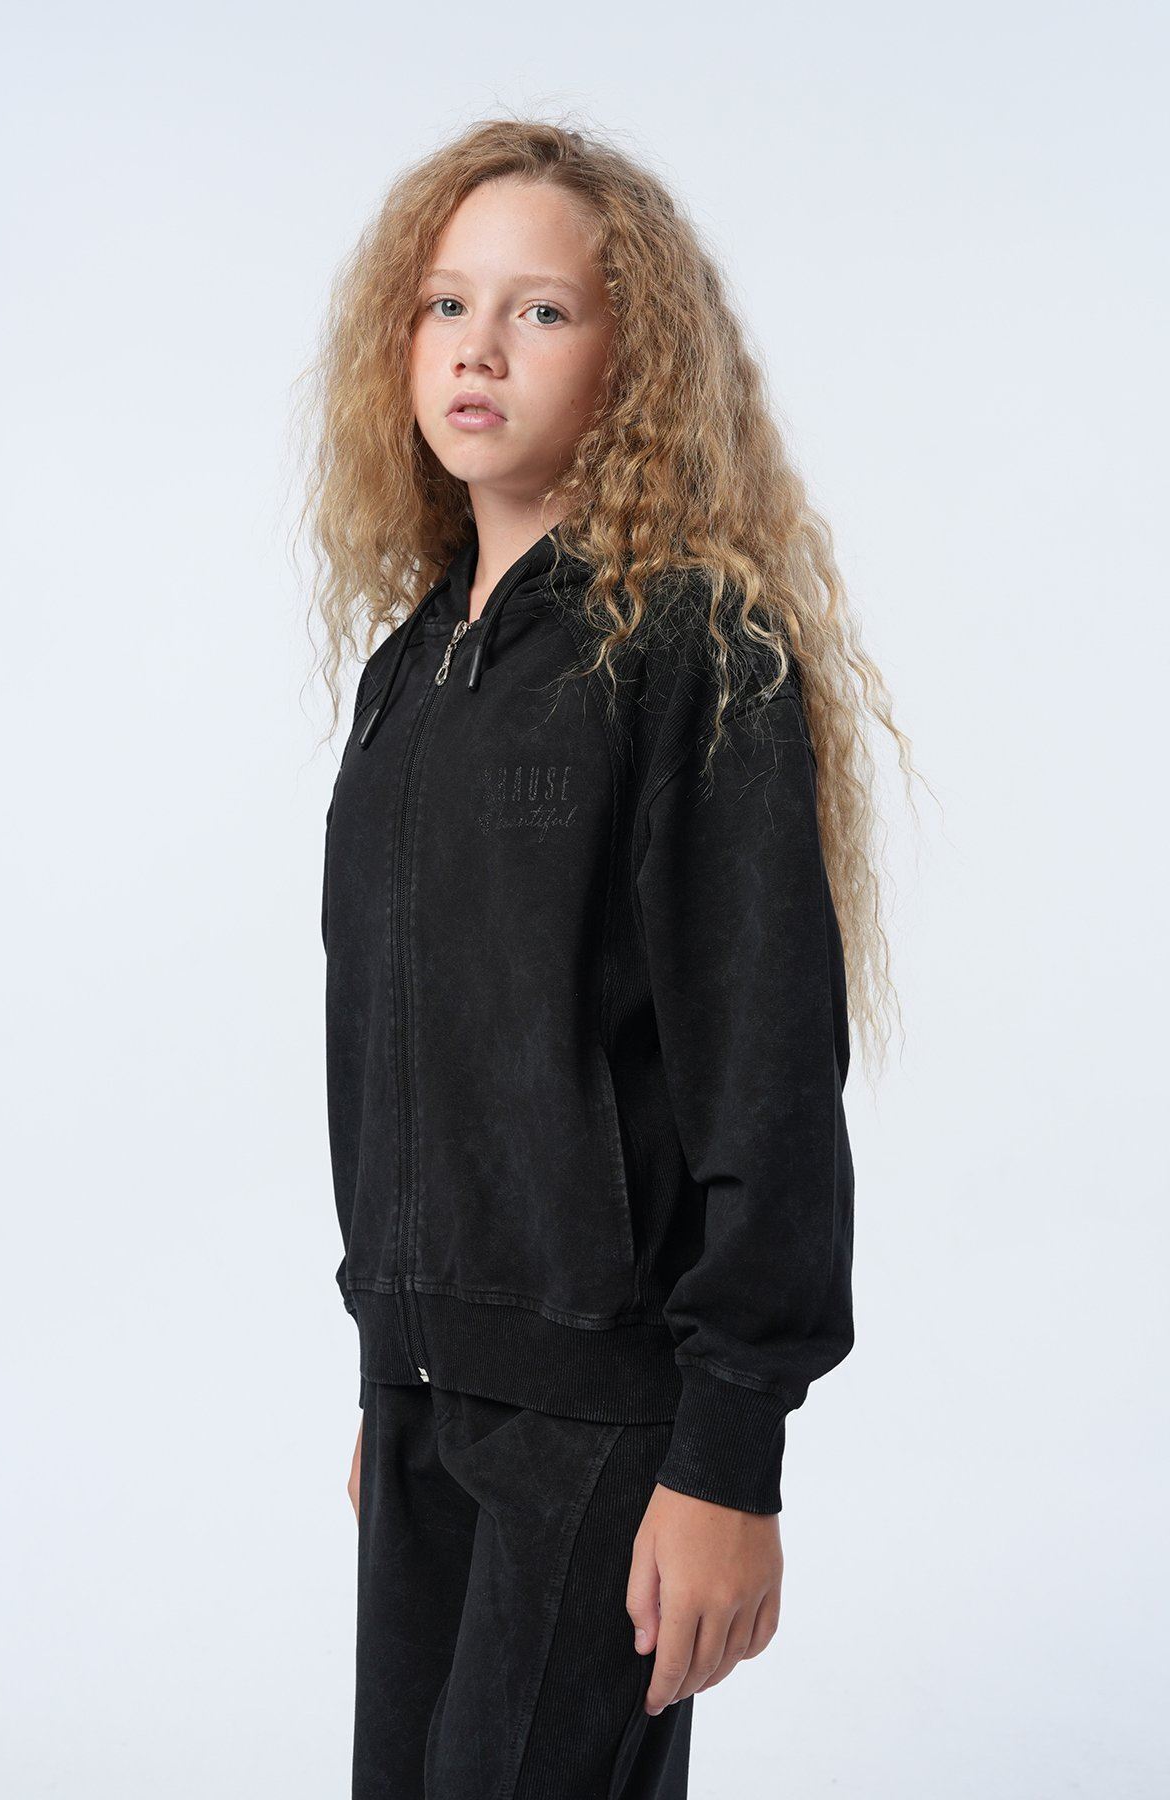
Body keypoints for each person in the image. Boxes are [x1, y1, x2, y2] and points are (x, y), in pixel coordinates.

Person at [299, 117, 910, 1800]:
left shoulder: (693, 650)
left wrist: (729, 1459)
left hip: (606, 1424)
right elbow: (407, 1051)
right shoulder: (413, 673)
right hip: (427, 1404)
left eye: (543, 310)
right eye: (446, 304)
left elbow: (765, 1074)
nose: (478, 348)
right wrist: (398, 1367)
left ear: (633, 360)